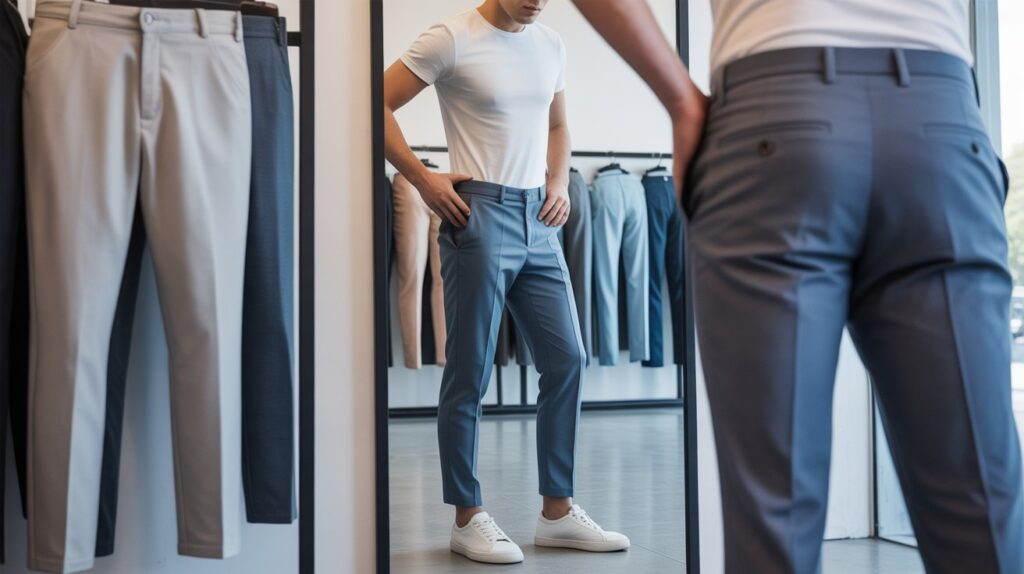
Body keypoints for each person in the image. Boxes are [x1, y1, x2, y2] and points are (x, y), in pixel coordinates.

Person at [571, 1, 1024, 573]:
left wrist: (680, 101)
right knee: (979, 502)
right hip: (939, 119)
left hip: (773, 118)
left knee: (774, 515)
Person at [383, 0, 630, 565]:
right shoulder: (452, 38)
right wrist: (421, 179)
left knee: (567, 358)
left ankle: (558, 512)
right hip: (479, 213)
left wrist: (560, 180)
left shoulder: (551, 44)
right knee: (469, 370)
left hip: (539, 217)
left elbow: (559, 123)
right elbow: (377, 101)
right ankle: (467, 517)